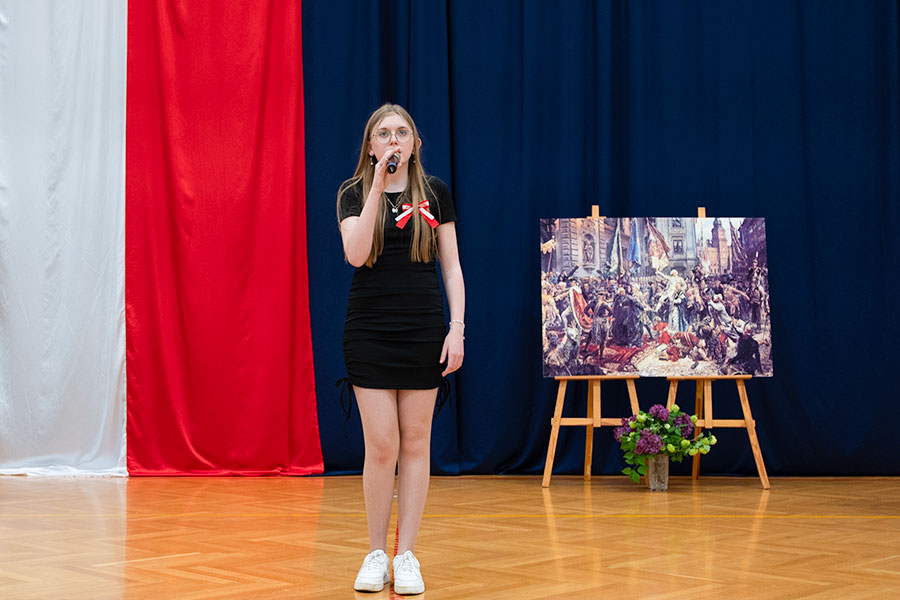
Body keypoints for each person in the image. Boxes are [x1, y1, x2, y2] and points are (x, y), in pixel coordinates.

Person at [337, 104, 465, 595]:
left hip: (422, 330)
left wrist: (457, 328)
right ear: (371, 147)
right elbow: (355, 254)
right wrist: (376, 188)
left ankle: (406, 554)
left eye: (402, 132)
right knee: (382, 445)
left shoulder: (435, 194)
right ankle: (375, 553)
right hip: (369, 331)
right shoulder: (353, 193)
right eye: (384, 133)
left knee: (415, 443)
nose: (394, 140)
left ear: (415, 144)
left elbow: (451, 267)